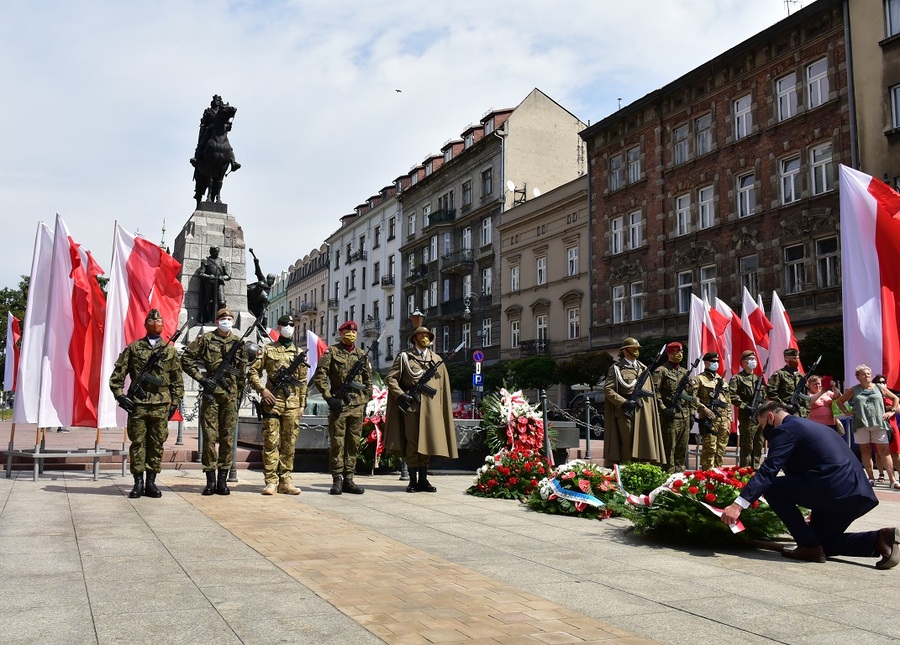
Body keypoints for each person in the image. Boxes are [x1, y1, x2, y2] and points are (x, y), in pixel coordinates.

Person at [722, 402, 900, 568]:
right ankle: (880, 539)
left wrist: (738, 505)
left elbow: (769, 470)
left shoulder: (785, 429)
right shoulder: (813, 426)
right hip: (857, 494)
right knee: (819, 542)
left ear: (770, 417)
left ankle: (808, 546)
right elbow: (820, 468)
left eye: (762, 426)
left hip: (835, 491)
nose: (765, 431)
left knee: (772, 488)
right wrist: (815, 506)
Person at [109, 309, 184, 499]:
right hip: (139, 405)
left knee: (157, 443)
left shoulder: (169, 351)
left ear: (163, 325)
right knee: (138, 443)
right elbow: (117, 375)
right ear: (145, 324)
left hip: (160, 405)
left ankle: (151, 482)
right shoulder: (134, 348)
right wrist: (120, 395)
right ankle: (138, 482)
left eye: (158, 321)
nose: (155, 323)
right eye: (152, 320)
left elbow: (177, 379)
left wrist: (175, 401)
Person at [181, 308, 247, 496]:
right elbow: (186, 359)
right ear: (217, 321)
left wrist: (240, 395)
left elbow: (241, 373)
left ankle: (222, 481)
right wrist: (201, 379)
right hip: (211, 395)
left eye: (229, 319)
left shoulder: (238, 343)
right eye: (223, 318)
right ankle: (210, 479)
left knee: (227, 438)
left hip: (230, 396)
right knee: (209, 438)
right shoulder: (206, 340)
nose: (227, 321)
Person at [384, 326, 458, 492]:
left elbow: (442, 387)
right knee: (413, 443)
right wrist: (401, 395)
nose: (425, 338)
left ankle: (423, 479)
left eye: (427, 335)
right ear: (415, 338)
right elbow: (391, 378)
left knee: (427, 444)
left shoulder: (436, 359)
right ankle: (412, 480)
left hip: (431, 410)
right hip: (412, 407)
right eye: (422, 335)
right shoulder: (404, 357)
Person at [248, 315, 308, 495]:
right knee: (271, 442)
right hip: (272, 402)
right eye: (285, 325)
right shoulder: (267, 350)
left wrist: (302, 405)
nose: (289, 327)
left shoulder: (298, 353)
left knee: (289, 443)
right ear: (279, 327)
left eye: (291, 325)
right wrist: (262, 390)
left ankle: (286, 481)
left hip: (292, 404)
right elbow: (253, 372)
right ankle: (271, 481)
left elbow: (303, 381)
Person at [313, 320, 372, 496]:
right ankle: (337, 479)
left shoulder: (361, 354)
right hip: (339, 404)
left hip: (357, 406)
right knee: (338, 443)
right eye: (348, 331)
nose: (351, 334)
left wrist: (365, 399)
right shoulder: (331, 352)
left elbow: (368, 381)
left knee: (353, 444)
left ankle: (349, 479)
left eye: (354, 332)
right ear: (341, 333)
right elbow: (320, 377)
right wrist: (330, 399)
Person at [603, 338, 665, 468]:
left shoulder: (643, 368)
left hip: (641, 412)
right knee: (628, 444)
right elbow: (608, 389)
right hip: (625, 412)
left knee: (643, 443)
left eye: (637, 349)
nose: (636, 351)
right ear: (625, 351)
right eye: (633, 348)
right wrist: (624, 402)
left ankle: (641, 469)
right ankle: (627, 470)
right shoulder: (616, 369)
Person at [835, 366, 900, 489]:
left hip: (879, 423)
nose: (867, 376)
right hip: (861, 424)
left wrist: (891, 411)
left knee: (885, 451)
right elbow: (839, 401)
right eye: (864, 374)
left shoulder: (879, 388)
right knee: (865, 450)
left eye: (869, 373)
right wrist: (847, 411)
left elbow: (895, 398)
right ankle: (870, 478)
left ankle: (893, 480)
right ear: (858, 377)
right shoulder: (854, 390)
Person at [652, 341, 696, 471]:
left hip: (685, 416)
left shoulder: (684, 372)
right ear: (670, 354)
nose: (680, 354)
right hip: (670, 417)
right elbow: (655, 392)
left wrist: (692, 413)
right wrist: (663, 408)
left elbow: (691, 395)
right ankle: (668, 476)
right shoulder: (661, 371)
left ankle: (679, 476)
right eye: (677, 352)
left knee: (682, 448)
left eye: (681, 352)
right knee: (669, 449)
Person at [695, 352, 733, 470]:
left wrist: (729, 418)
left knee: (721, 449)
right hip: (709, 419)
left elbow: (727, 401)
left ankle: (718, 474)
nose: (716, 364)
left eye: (717, 361)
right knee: (709, 449)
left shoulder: (721, 380)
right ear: (706, 362)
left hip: (723, 420)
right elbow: (692, 398)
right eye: (713, 361)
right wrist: (703, 408)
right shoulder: (700, 379)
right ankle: (707, 476)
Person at [729, 350, 763, 468]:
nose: (753, 361)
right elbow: (732, 395)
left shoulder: (758, 379)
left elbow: (764, 396)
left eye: (754, 358)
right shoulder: (737, 378)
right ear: (743, 362)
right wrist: (745, 406)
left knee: (759, 444)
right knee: (747, 446)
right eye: (750, 359)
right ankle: (745, 471)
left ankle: (756, 469)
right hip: (747, 417)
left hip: (759, 416)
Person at [766, 347, 810, 417]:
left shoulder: (801, 376)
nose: (796, 360)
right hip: (785, 412)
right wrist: (785, 406)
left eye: (797, 358)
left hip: (801, 413)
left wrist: (806, 411)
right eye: (793, 358)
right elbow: (771, 393)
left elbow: (806, 396)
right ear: (786, 360)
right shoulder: (779, 374)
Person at [874, 375, 900, 485]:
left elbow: (898, 407)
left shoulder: (890, 395)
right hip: (878, 427)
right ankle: (881, 474)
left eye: (883, 382)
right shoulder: (873, 395)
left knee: (896, 452)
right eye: (879, 382)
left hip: (892, 427)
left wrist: (890, 410)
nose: (882, 384)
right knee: (879, 453)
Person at [198, 246, 231, 323]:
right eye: (214, 251)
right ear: (210, 252)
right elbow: (201, 273)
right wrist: (209, 276)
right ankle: (210, 318)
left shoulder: (222, 261)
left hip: (219, 284)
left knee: (222, 302)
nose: (216, 253)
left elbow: (228, 276)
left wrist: (221, 277)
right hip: (209, 283)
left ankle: (220, 318)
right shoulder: (206, 261)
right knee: (209, 302)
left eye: (217, 251)